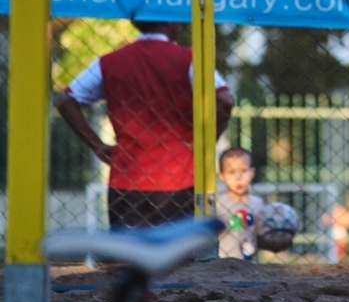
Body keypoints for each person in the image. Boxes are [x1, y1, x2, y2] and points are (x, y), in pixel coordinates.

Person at [57, 20, 234, 228]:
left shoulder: (110, 61)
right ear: (171, 24)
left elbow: (66, 100)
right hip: (178, 177)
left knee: (127, 254)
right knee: (177, 254)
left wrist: (96, 144)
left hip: (126, 178)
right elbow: (225, 100)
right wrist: (207, 139)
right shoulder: (189, 58)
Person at [217, 147, 296, 259]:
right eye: (231, 172)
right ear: (222, 176)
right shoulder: (219, 204)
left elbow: (261, 234)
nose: (238, 177)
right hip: (224, 261)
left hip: (251, 265)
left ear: (252, 173)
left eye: (243, 171)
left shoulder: (257, 203)